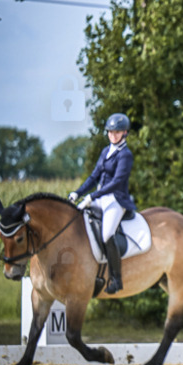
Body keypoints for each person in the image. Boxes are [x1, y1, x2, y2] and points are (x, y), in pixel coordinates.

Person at [69, 113, 137, 294]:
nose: (113, 135)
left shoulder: (126, 155)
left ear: (125, 133)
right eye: (110, 132)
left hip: (116, 200)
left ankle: (116, 280)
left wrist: (92, 197)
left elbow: (116, 182)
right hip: (100, 198)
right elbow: (94, 176)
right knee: (76, 219)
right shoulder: (106, 151)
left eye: (117, 132)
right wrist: (78, 192)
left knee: (107, 234)